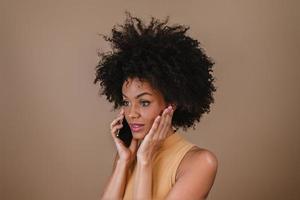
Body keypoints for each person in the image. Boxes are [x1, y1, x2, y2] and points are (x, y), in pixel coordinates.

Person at [94, 11, 218, 200]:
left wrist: (145, 162)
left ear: (171, 104)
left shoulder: (200, 162)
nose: (131, 113)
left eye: (144, 102)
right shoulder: (128, 155)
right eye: (126, 102)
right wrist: (124, 162)